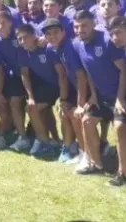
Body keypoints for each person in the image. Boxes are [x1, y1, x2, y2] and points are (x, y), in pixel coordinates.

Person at [73, 10, 126, 176]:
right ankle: (96, 164)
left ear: (93, 24)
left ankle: (122, 172)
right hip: (102, 97)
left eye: (84, 25)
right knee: (87, 121)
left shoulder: (106, 40)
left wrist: (119, 100)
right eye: (76, 26)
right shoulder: (77, 44)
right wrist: (94, 95)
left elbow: (124, 70)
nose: (80, 30)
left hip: (120, 95)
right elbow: (89, 72)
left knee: (119, 127)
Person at [42, 18, 87, 163]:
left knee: (75, 115)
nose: (52, 36)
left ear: (63, 32)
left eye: (55, 32)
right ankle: (69, 147)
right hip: (73, 87)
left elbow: (82, 77)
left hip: (90, 89)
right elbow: (62, 75)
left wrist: (80, 104)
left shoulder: (69, 46)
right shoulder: (52, 48)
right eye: (48, 34)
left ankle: (86, 153)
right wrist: (63, 99)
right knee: (63, 111)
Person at [17, 24, 66, 156]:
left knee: (33, 109)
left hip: (58, 85)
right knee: (33, 107)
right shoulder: (22, 52)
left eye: (25, 38)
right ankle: (49, 140)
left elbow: (61, 74)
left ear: (34, 35)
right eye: (19, 39)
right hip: (44, 86)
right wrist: (31, 97)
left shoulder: (47, 48)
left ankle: (44, 142)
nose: (22, 42)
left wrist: (63, 97)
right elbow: (25, 74)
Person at [0, 11, 29, 151]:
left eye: (2, 23)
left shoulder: (19, 37)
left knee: (15, 104)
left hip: (18, 77)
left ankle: (22, 137)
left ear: (10, 23)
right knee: (0, 106)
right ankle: (2, 135)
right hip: (0, 78)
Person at [107, 16, 126, 186]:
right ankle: (122, 172)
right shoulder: (122, 51)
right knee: (119, 127)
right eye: (112, 34)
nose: (115, 38)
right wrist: (120, 100)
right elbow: (124, 74)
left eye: (118, 33)